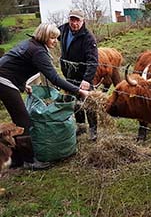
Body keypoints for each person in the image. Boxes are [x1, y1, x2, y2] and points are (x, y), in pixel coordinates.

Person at [0, 23, 90, 170]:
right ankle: (29, 161)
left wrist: (23, 85)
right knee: (23, 122)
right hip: (3, 81)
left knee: (19, 120)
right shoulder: (38, 51)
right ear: (43, 36)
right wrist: (79, 91)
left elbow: (15, 65)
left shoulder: (31, 44)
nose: (55, 41)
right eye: (52, 38)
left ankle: (16, 160)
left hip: (5, 78)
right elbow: (54, 78)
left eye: (57, 38)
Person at [59, 9, 99, 141]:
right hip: (69, 75)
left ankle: (93, 130)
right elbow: (52, 34)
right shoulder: (63, 29)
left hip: (83, 76)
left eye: (78, 20)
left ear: (83, 21)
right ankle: (81, 127)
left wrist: (87, 79)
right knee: (76, 103)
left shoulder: (88, 37)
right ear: (68, 19)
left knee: (88, 103)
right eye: (72, 19)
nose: (74, 23)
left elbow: (93, 61)